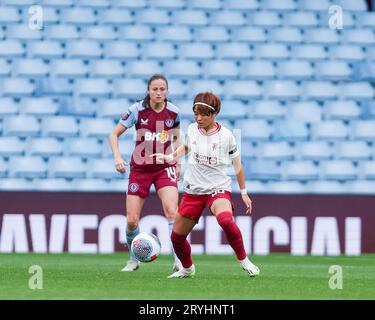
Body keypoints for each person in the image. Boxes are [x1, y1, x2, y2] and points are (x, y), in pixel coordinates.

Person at [151, 92, 260, 278]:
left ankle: (243, 259)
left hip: (217, 189)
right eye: (196, 113)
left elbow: (238, 166)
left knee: (225, 220)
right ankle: (187, 269)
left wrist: (243, 192)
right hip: (193, 191)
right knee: (176, 238)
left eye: (204, 114)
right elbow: (186, 147)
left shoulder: (227, 137)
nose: (199, 118)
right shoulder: (193, 129)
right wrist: (169, 157)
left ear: (215, 113)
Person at [109, 74, 182, 272]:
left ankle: (179, 261)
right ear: (148, 91)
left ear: (167, 91)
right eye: (155, 89)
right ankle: (133, 260)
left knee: (172, 212)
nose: (159, 93)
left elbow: (177, 138)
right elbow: (114, 134)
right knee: (132, 220)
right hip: (140, 169)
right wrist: (117, 157)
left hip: (163, 168)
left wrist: (178, 162)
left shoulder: (174, 112)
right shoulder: (137, 110)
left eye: (162, 89)